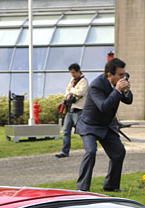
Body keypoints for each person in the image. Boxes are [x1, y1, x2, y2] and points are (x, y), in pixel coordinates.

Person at [75, 57, 133, 192]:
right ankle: (82, 189)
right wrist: (118, 90)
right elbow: (104, 106)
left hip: (107, 125)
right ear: (109, 75)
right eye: (120, 75)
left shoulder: (118, 85)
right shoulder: (96, 85)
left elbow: (128, 100)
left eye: (124, 74)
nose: (123, 77)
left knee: (119, 152)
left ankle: (111, 186)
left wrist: (126, 91)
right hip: (89, 125)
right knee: (91, 151)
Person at [56, 63, 88, 158]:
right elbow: (67, 90)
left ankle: (88, 149)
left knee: (82, 131)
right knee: (66, 131)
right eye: (71, 73)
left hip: (79, 110)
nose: (72, 75)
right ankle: (65, 151)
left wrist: (72, 90)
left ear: (78, 71)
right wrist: (69, 94)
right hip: (70, 110)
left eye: (74, 72)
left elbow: (81, 92)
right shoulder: (72, 80)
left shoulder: (83, 81)